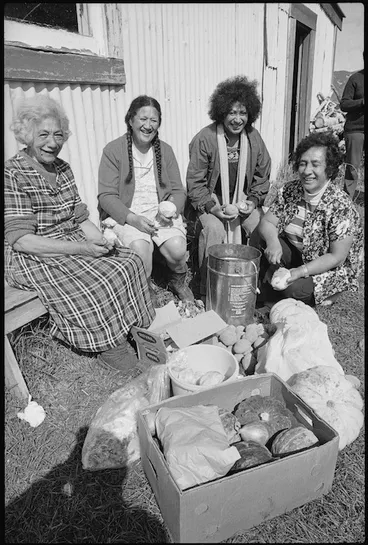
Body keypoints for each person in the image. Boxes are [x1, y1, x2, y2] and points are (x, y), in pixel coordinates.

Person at [4, 94, 155, 372]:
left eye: (58, 134)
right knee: (94, 283)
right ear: (26, 134)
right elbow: (21, 240)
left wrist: (99, 240)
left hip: (69, 238)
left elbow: (80, 217)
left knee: (129, 261)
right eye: (44, 134)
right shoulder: (13, 173)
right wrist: (84, 249)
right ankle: (109, 345)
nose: (52, 142)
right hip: (32, 253)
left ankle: (131, 327)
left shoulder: (63, 168)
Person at [98, 95, 194, 304]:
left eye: (154, 120)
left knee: (178, 248)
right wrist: (132, 219)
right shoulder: (113, 150)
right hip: (129, 214)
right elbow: (106, 196)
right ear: (130, 120)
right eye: (143, 119)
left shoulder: (165, 151)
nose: (148, 125)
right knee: (141, 250)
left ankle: (177, 280)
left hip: (158, 215)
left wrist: (171, 208)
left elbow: (178, 190)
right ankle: (144, 287)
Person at [185, 75, 271, 299]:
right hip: (212, 202)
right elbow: (195, 182)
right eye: (232, 112)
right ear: (221, 112)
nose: (237, 119)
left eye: (242, 113)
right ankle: (209, 289)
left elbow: (263, 175)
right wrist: (213, 208)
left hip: (242, 200)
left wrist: (251, 202)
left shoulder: (253, 137)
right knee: (213, 229)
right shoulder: (205, 138)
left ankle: (253, 282)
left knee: (260, 225)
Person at [257, 131, 363, 308]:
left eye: (315, 165)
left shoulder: (340, 205)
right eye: (303, 164)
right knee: (262, 238)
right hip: (300, 253)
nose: (307, 171)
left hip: (330, 266)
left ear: (329, 168)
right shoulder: (289, 191)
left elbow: (336, 257)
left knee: (293, 291)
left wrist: (300, 272)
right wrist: (273, 241)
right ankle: (271, 281)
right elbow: (267, 222)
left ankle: (332, 290)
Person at [340, 53, 364, 199]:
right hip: (355, 130)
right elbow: (344, 104)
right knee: (352, 168)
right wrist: (362, 102)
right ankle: (347, 199)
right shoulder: (355, 78)